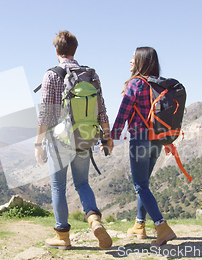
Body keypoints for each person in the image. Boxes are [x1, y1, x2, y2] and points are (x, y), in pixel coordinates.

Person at [34, 30, 114, 250]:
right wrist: (107, 137)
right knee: (82, 184)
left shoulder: (52, 75)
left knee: (58, 187)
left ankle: (63, 236)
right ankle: (94, 220)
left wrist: (38, 143)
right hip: (85, 137)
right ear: (75, 49)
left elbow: (46, 115)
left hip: (59, 140)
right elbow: (102, 110)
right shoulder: (91, 74)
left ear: (57, 50)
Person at [111, 46, 177, 246]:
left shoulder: (136, 84)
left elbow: (123, 112)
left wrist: (111, 137)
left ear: (140, 61)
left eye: (133, 58)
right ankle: (139, 225)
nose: (130, 61)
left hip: (140, 139)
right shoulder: (158, 85)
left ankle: (162, 227)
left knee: (140, 185)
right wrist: (168, 140)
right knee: (144, 184)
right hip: (157, 140)